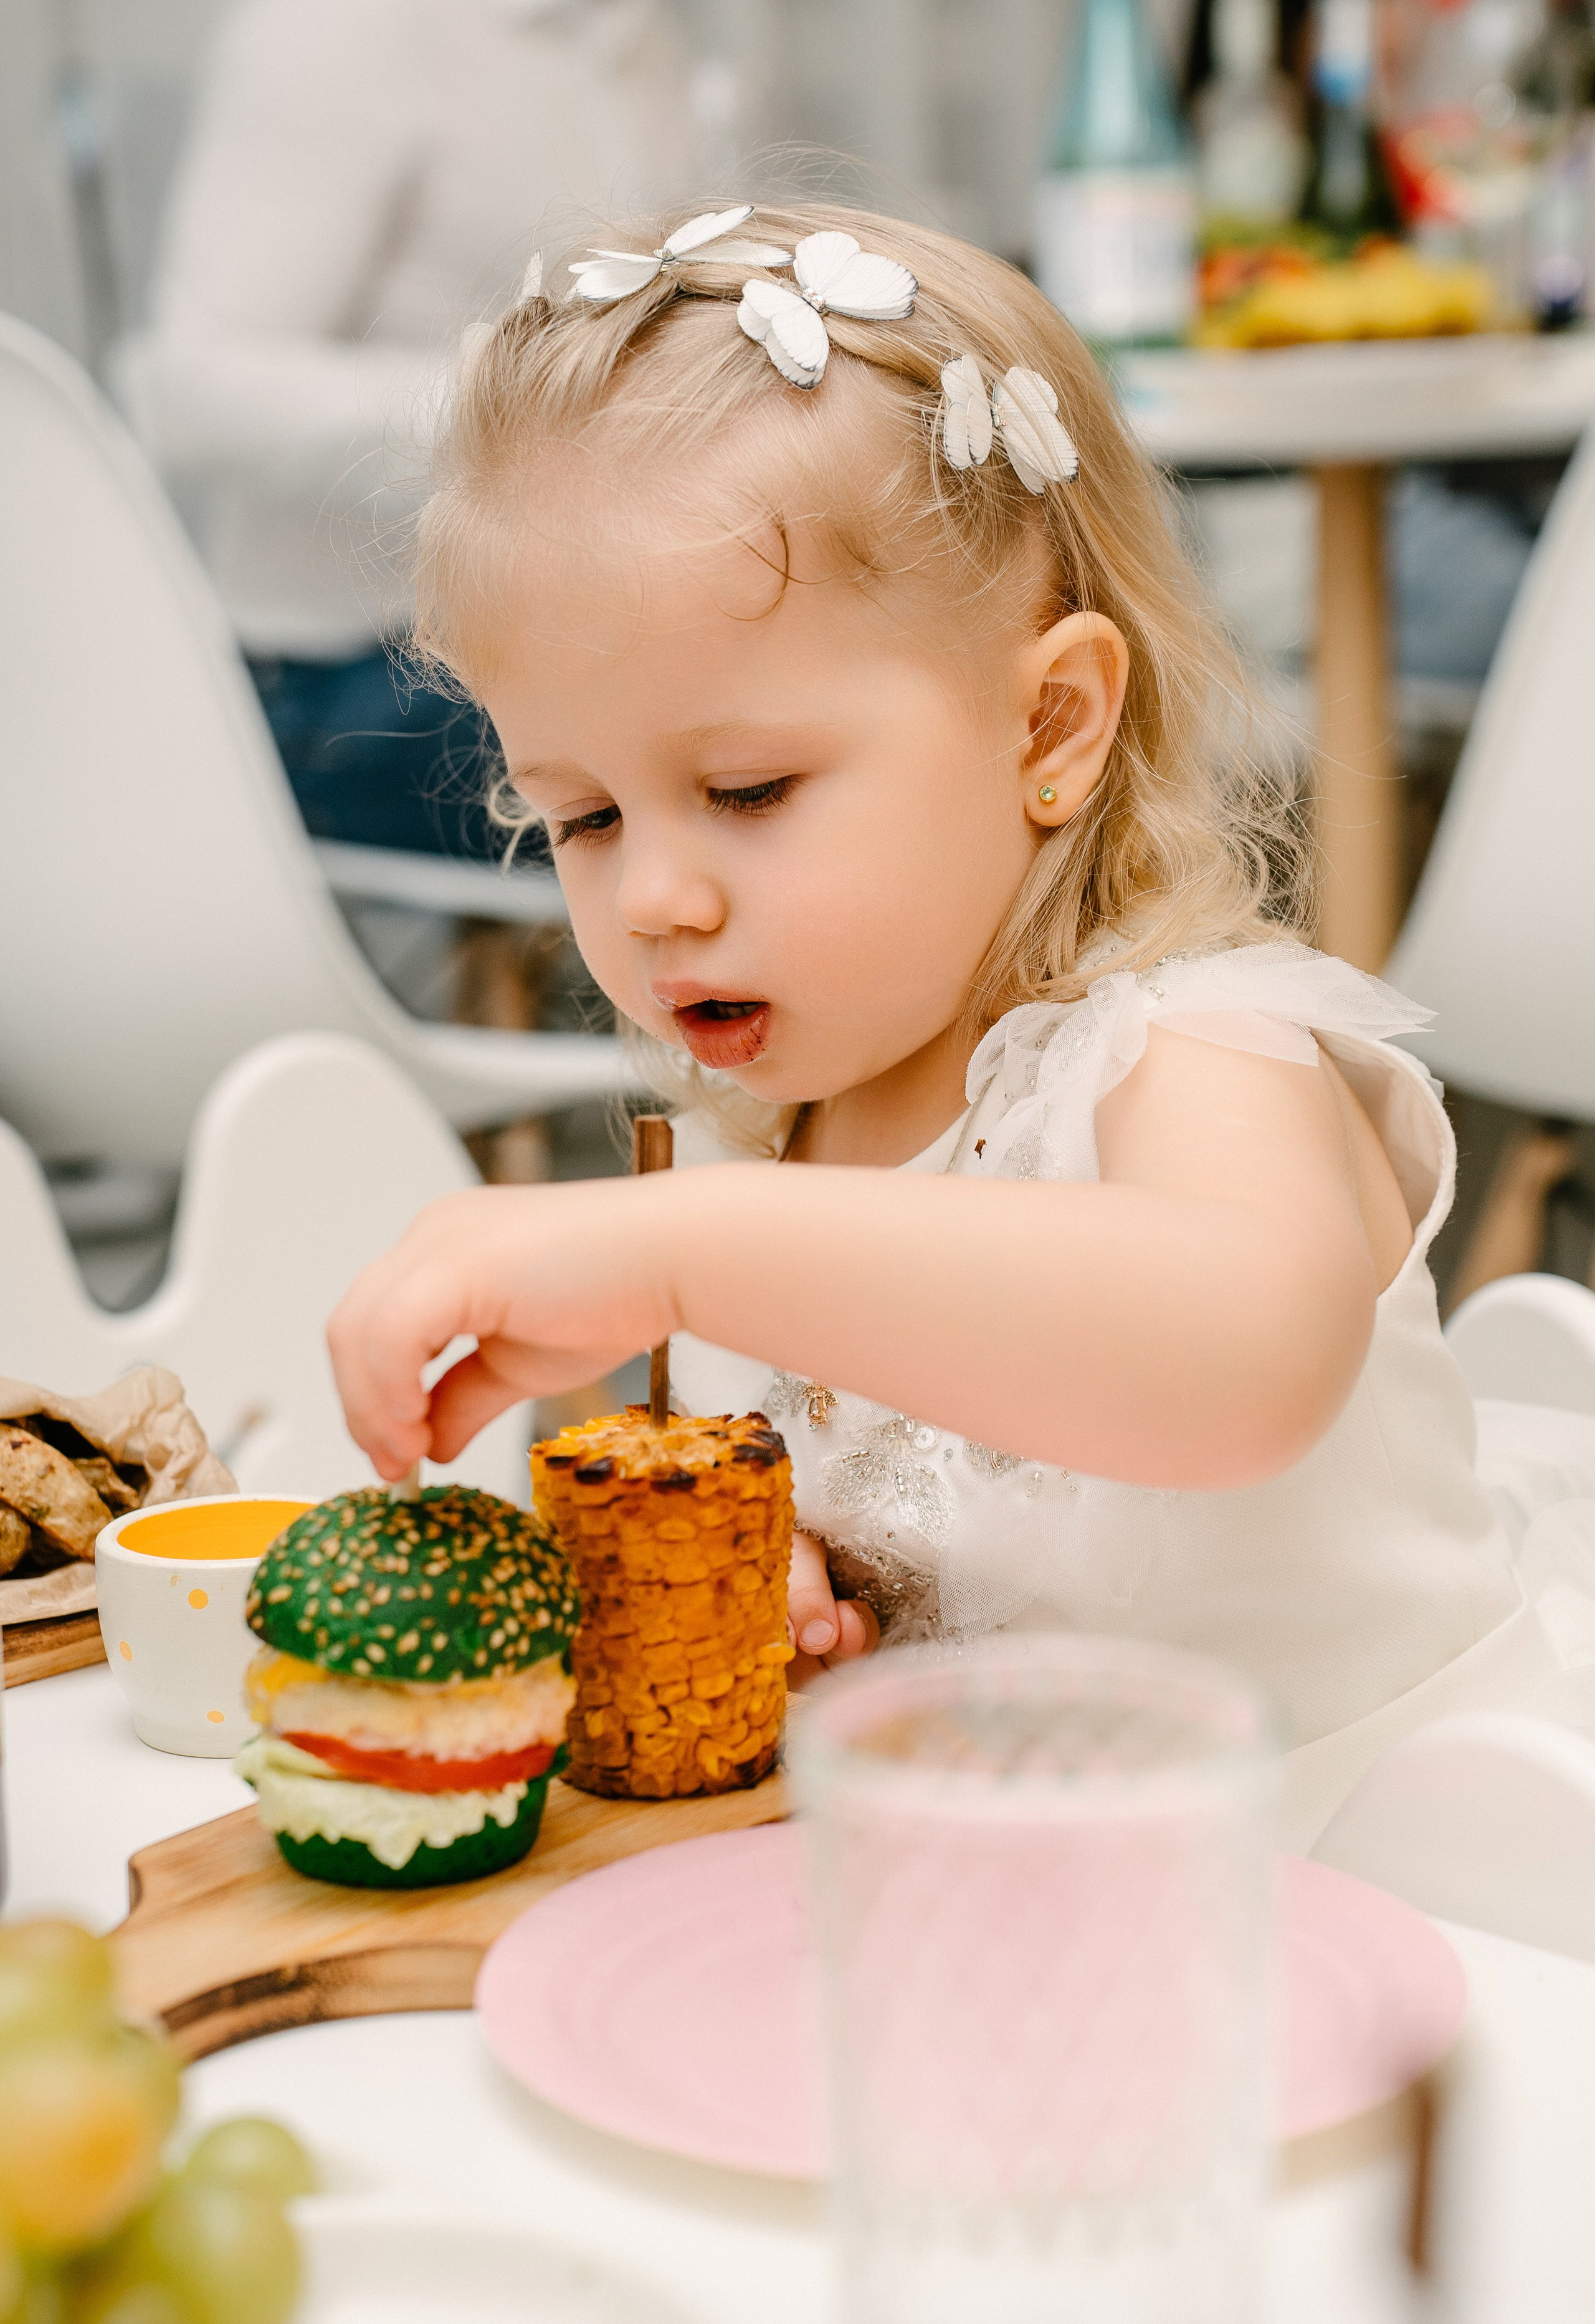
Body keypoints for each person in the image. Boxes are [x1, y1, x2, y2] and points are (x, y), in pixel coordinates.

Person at [325, 198, 1576, 1842]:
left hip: (1417, 1886)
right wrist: (781, 1580)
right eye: (584, 819)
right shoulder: (765, 1145)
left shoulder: (1192, 1054)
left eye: (747, 789)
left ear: (1046, 722)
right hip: (1027, 1936)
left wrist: (685, 1251)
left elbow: (1244, 1359)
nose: (653, 902)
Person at [119, 0, 700, 853]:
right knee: (773, 744)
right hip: (349, 673)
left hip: (566, 630)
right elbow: (189, 392)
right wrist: (537, 414)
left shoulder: (640, 35)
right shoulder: (342, 28)